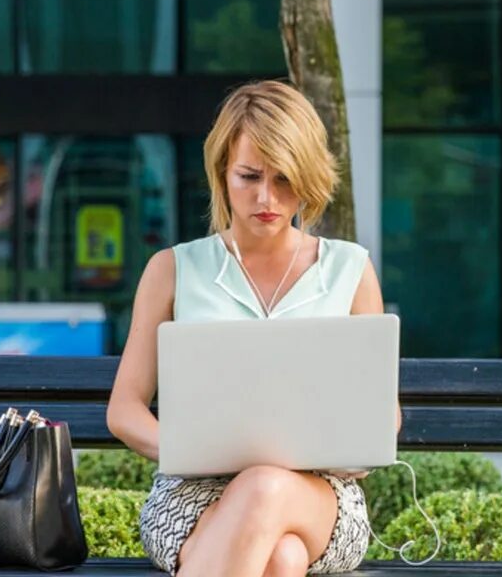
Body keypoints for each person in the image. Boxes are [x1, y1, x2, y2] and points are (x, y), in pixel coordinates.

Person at [106, 80, 398, 577]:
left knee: (265, 485)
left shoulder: (351, 270)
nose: (267, 197)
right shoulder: (172, 270)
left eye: (285, 179)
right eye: (249, 176)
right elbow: (125, 410)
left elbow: (383, 413)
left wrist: (356, 448)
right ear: (222, 172)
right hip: (194, 494)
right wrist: (192, 450)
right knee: (281, 560)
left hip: (317, 496)